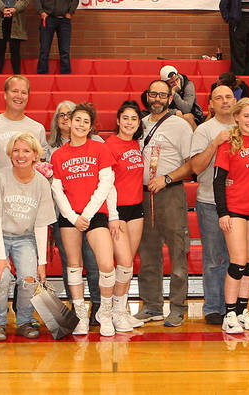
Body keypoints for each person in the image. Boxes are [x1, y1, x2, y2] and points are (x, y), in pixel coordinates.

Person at [50, 103, 118, 336]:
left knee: (107, 265)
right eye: (77, 119)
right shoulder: (58, 154)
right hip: (70, 216)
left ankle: (105, 313)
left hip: (94, 214)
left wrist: (86, 215)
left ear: (91, 127)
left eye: (85, 121)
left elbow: (106, 184)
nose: (80, 124)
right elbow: (57, 190)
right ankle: (79, 315)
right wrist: (72, 216)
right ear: (69, 122)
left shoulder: (100, 149)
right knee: (74, 265)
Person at [0, 132, 54, 340]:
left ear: (35, 155)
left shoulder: (41, 183)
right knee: (1, 275)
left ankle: (24, 320)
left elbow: (40, 225)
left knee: (28, 279)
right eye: (16, 150)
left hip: (24, 236)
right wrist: (0, 257)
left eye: (26, 151)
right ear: (10, 153)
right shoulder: (0, 177)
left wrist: (42, 262)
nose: (20, 155)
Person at [135, 80, 196, 327]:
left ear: (170, 98)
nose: (157, 98)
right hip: (141, 195)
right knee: (147, 252)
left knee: (177, 251)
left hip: (170, 193)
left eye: (162, 94)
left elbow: (191, 163)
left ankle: (178, 307)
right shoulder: (138, 124)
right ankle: (151, 306)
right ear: (147, 96)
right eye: (153, 94)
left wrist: (167, 178)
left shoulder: (180, 126)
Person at [214, 97, 249, 334]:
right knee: (238, 261)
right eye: (246, 115)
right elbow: (218, 181)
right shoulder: (227, 143)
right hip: (234, 209)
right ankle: (230, 313)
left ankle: (243, 311)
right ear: (236, 116)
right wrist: (222, 212)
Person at [189, 84, 239, 325]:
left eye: (229, 96)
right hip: (210, 202)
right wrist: (216, 143)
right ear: (211, 104)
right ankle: (213, 307)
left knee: (237, 258)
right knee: (213, 258)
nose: (225, 101)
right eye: (219, 98)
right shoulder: (204, 130)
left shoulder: (246, 126)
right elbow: (196, 168)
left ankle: (235, 307)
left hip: (241, 205)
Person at [102, 101, 148, 332]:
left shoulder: (136, 145)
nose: (130, 122)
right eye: (126, 118)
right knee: (124, 263)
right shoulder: (110, 145)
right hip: (118, 210)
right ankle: (110, 312)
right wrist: (113, 214)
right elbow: (106, 183)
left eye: (134, 119)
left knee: (128, 263)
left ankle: (122, 311)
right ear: (118, 120)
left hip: (136, 208)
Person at [0, 0, 29, 74]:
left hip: (17, 20)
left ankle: (17, 76)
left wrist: (15, 9)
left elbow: (24, 1)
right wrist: (3, 9)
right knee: (0, 50)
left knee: (15, 50)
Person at [37, 0, 76, 74]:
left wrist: (70, 12)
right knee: (44, 50)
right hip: (47, 18)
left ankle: (65, 77)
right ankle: (42, 76)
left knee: (65, 51)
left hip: (64, 20)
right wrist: (40, 11)